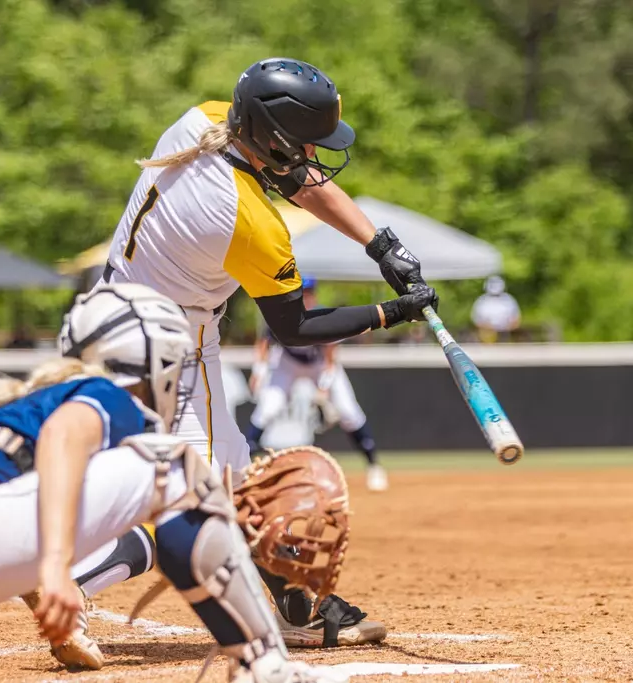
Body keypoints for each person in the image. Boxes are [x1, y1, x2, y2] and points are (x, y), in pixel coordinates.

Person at [90, 56, 438, 649]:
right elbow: (296, 328)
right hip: (168, 347)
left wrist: (379, 244)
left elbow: (298, 180)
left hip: (112, 318)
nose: (312, 157)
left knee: (225, 481)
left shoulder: (206, 121)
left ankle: (295, 605)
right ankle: (71, 583)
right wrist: (391, 312)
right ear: (272, 140)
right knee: (206, 501)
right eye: (303, 144)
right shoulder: (247, 220)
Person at [0, 283, 347, 683]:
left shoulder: (3, 406)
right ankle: (265, 664)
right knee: (176, 466)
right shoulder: (104, 394)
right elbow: (67, 436)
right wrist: (55, 566)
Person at [246, 277, 387, 492]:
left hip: (319, 365)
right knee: (268, 408)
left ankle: (374, 466)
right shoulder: (281, 313)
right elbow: (264, 343)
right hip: (288, 363)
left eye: (309, 292)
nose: (306, 297)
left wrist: (323, 387)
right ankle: (244, 467)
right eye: (302, 292)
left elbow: (330, 359)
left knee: (349, 412)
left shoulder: (323, 315)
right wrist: (259, 371)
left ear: (315, 295)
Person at [471, 275, 521, 343]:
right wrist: (488, 328)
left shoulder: (509, 300)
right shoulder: (481, 301)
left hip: (506, 333)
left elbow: (516, 319)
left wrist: (508, 328)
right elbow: (476, 319)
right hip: (487, 335)